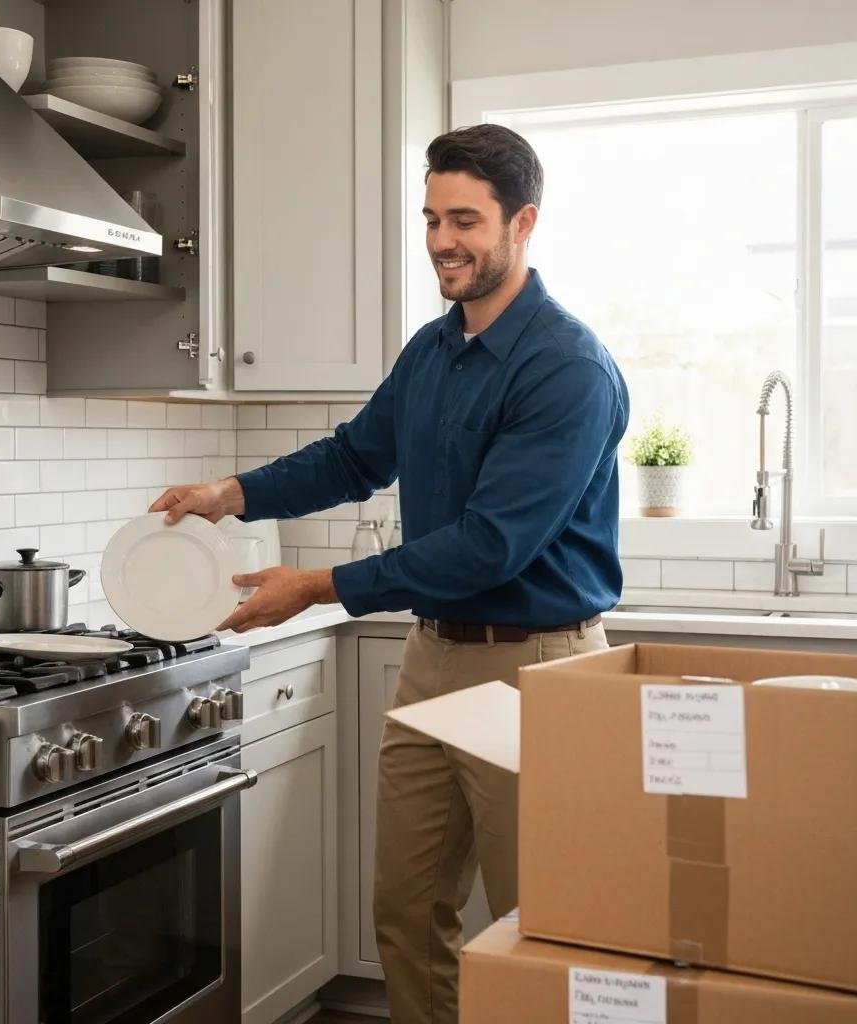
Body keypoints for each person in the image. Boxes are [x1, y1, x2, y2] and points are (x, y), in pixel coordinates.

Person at [149, 123, 629, 1024]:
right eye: (431, 218)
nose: (443, 240)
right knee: (407, 912)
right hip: (433, 655)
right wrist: (230, 494)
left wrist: (315, 587)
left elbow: (489, 546)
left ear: (522, 223)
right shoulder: (432, 350)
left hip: (537, 668)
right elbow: (352, 457)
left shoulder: (567, 368)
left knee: (543, 930)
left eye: (465, 220)